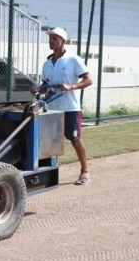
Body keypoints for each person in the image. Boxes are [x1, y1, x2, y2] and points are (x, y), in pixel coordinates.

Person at [30, 27, 93, 185]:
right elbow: (45, 86)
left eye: (54, 38)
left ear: (63, 41)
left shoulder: (73, 60)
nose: (51, 41)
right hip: (51, 109)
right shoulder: (47, 64)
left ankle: (85, 171)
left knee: (75, 139)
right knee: (49, 141)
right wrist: (37, 90)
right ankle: (48, 173)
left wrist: (71, 86)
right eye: (50, 38)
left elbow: (88, 80)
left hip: (70, 108)